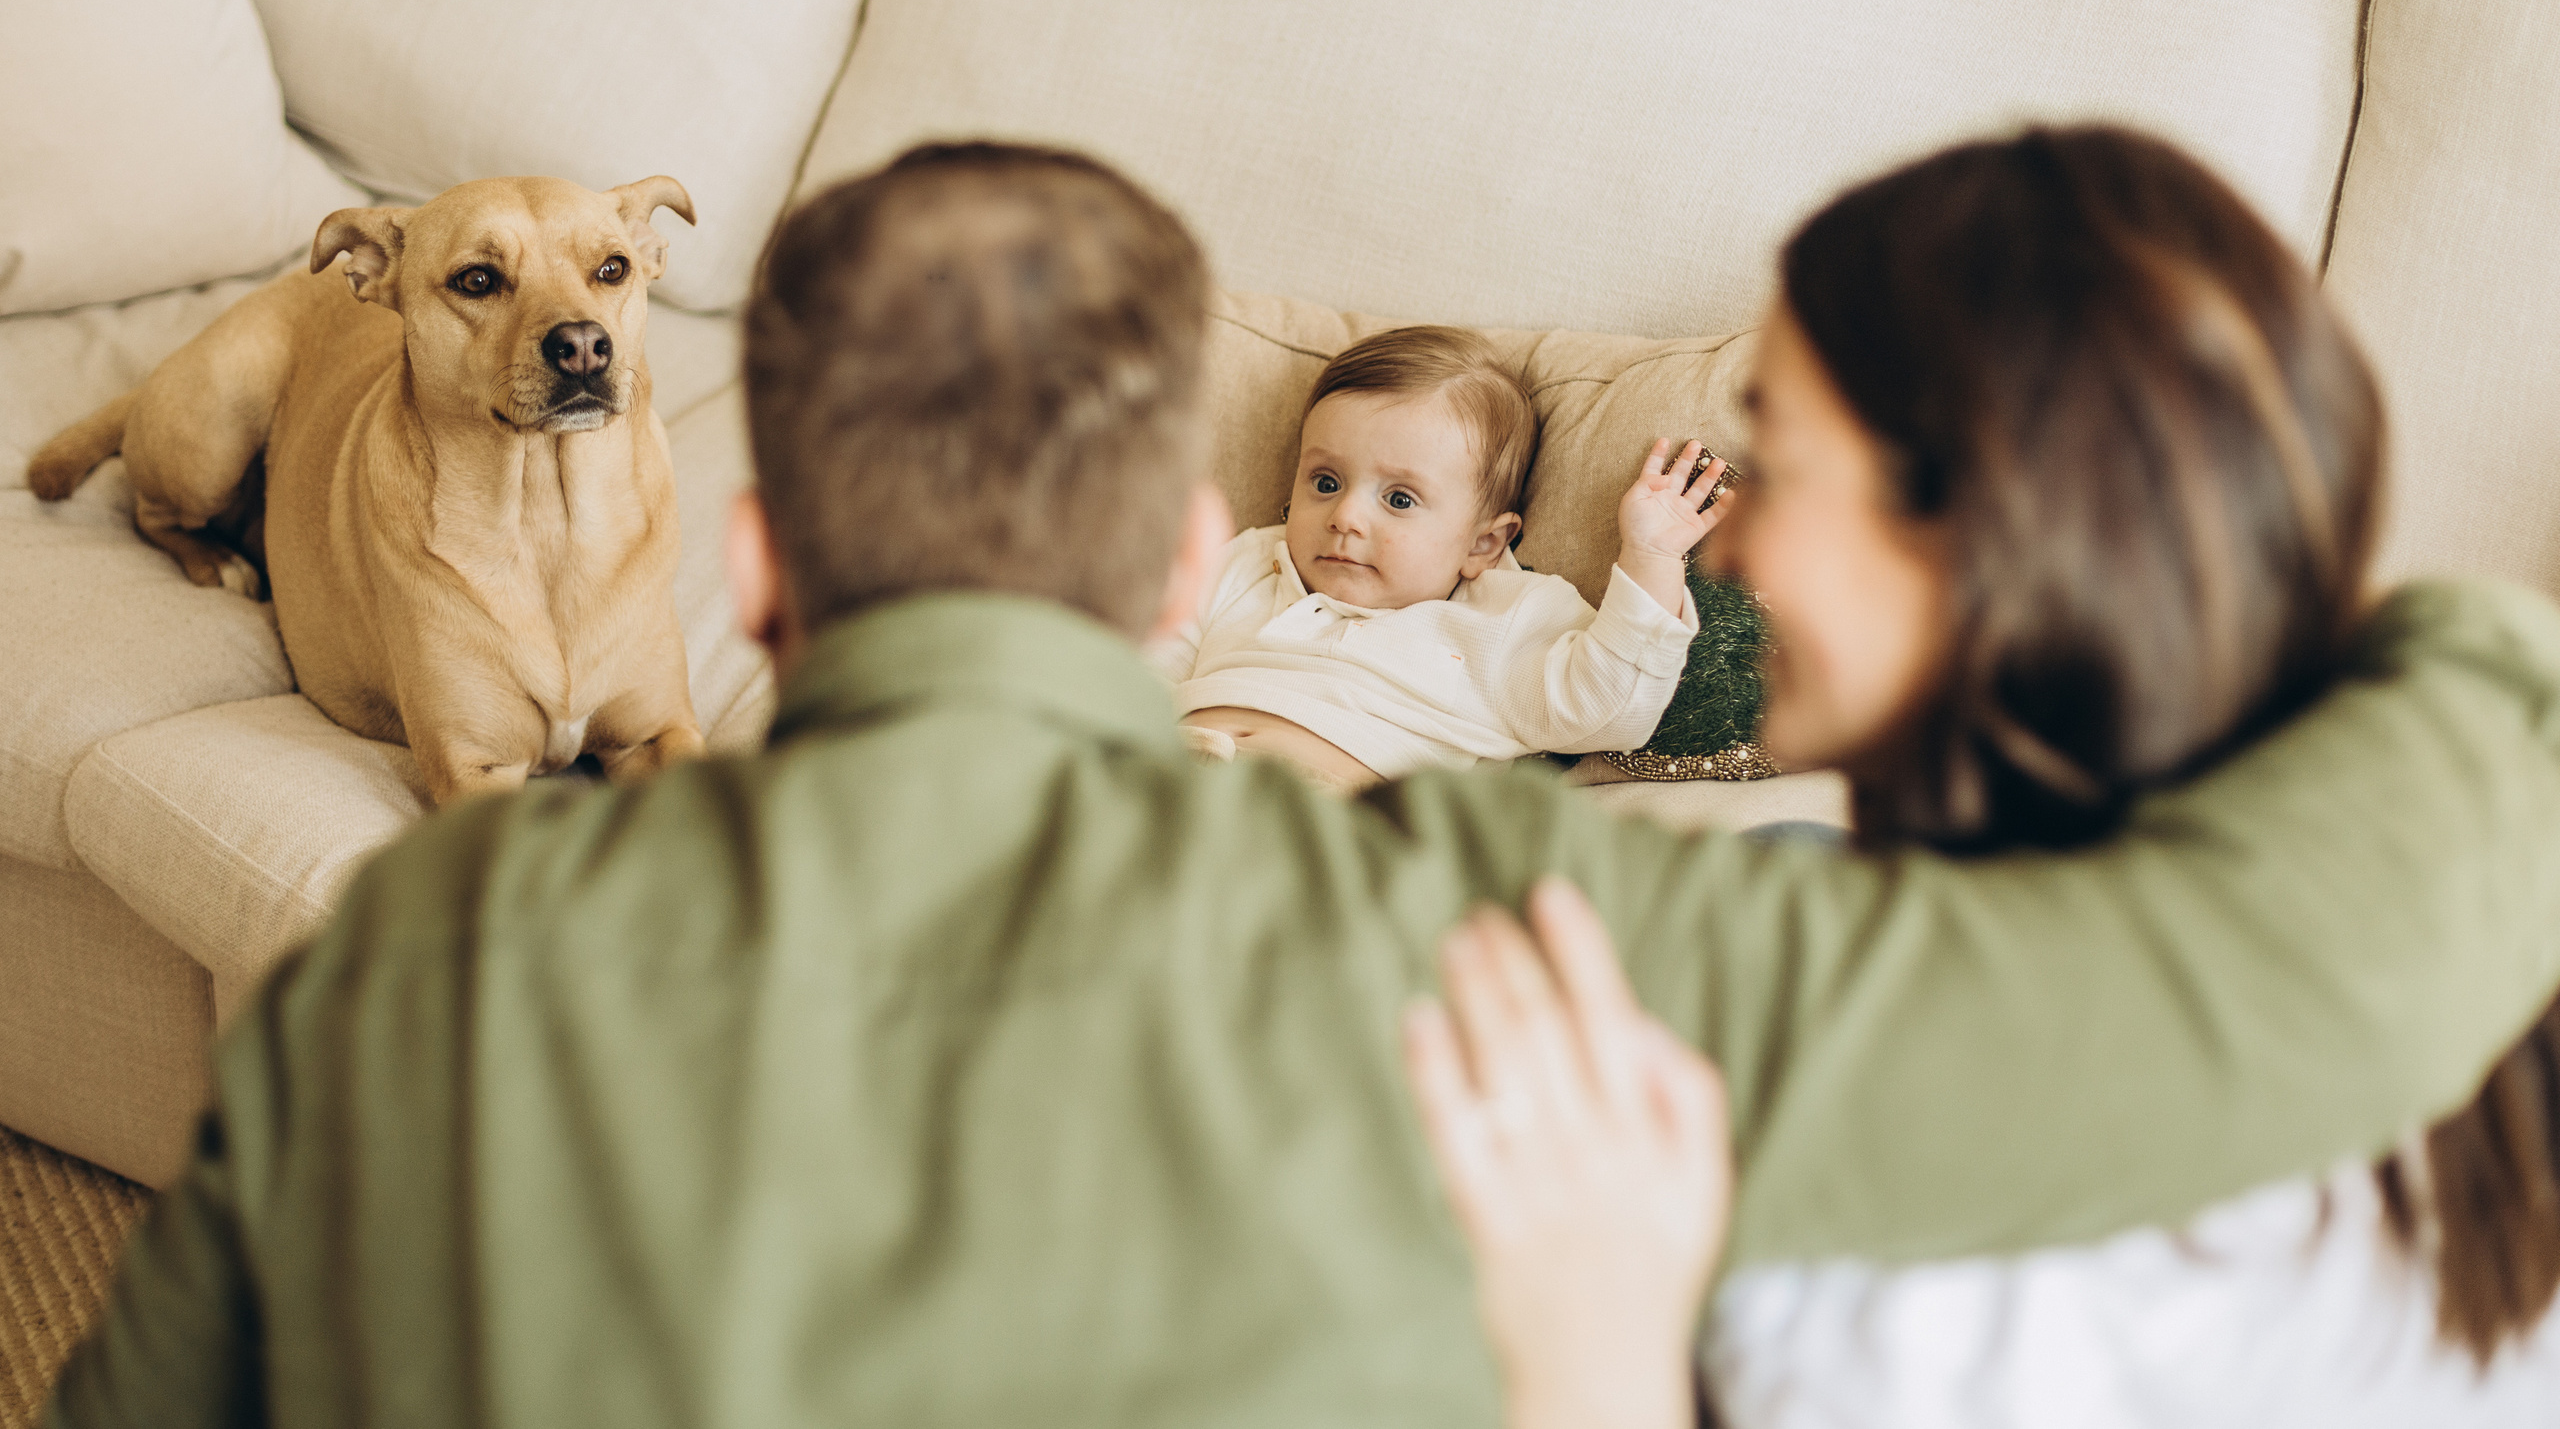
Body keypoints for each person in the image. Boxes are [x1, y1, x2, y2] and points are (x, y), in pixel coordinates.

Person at [46, 140, 2560, 1428]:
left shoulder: (392, 960)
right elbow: (2333, 969)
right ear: (1186, 562)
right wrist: (2401, 597)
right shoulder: (1496, 949)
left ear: (751, 551)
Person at [1406, 126, 2560, 1426]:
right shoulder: (2475, 967)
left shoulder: (1928, 1209)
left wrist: (1591, 1351)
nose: (1737, 552)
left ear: (1987, 526)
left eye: (1778, 470)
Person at [1149, 324, 1732, 790]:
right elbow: (1146, 667)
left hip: (1335, 820)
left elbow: (1610, 705)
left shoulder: (1502, 620)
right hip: (1170, 774)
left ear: (1483, 544)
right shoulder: (1250, 562)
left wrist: (1651, 554)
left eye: (1399, 499)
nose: (1345, 516)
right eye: (1325, 482)